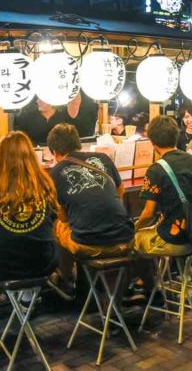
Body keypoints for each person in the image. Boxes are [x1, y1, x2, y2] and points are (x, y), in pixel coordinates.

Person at [46, 124, 135, 298]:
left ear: (54, 152)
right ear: (78, 144)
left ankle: (64, 277)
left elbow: (63, 216)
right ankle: (109, 297)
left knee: (58, 226)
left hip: (88, 245)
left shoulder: (55, 172)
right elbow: (120, 192)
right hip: (126, 239)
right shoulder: (103, 158)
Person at [0, 131, 59, 287]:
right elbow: (51, 221)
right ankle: (62, 282)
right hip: (43, 263)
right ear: (30, 156)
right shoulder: (44, 182)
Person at [135, 116, 192, 296]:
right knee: (171, 223)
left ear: (152, 142)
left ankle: (151, 287)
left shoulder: (156, 169)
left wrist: (134, 228)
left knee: (135, 240)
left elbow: (148, 212)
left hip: (176, 238)